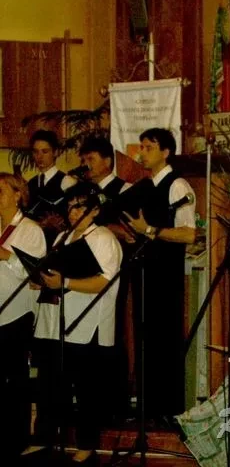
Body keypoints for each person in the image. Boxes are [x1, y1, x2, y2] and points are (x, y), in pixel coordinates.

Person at [32, 182, 123, 463]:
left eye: (79, 207)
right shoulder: (63, 237)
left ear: (94, 210)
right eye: (70, 207)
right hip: (55, 322)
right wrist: (40, 279)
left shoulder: (104, 238)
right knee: (50, 384)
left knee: (86, 389)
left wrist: (66, 282)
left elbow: (105, 282)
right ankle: (45, 439)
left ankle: (87, 444)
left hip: (87, 324)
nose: (73, 212)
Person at [124, 127, 196, 422]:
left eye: (149, 147)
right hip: (144, 271)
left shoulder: (177, 185)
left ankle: (168, 411)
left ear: (166, 152)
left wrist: (150, 231)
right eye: (140, 146)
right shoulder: (144, 186)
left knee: (165, 341)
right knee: (145, 339)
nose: (142, 152)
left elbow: (188, 233)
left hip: (166, 275)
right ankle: (148, 408)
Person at [78, 136, 134, 419]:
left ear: (108, 160)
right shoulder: (82, 191)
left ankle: (115, 401)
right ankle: (88, 398)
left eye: (91, 159)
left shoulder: (125, 190)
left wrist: (103, 226)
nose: (86, 165)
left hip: (112, 264)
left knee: (112, 329)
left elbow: (131, 231)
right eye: (84, 159)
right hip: (81, 265)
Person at [0, 173, 46, 462]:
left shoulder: (30, 230)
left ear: (18, 195)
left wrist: (6, 256)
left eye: (1, 191)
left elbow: (36, 273)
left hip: (16, 313)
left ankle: (16, 440)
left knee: (15, 378)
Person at [27, 129, 77, 244]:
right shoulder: (31, 183)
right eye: (36, 152)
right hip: (33, 241)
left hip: (56, 242)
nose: (39, 157)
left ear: (55, 152)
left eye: (45, 151)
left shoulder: (67, 182)